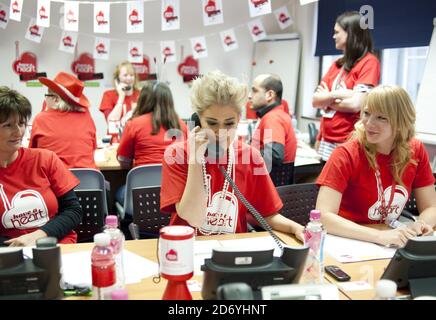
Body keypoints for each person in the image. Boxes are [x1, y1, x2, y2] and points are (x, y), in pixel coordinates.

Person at [160, 70, 304, 240]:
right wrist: (196, 159)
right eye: (212, 123)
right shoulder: (177, 155)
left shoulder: (251, 157)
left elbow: (267, 214)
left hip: (232, 251)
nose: (221, 132)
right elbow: (193, 217)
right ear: (197, 121)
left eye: (229, 123)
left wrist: (296, 228)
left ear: (238, 120)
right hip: (186, 247)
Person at [316, 85, 436, 248]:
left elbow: (431, 206)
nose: (369, 123)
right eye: (366, 113)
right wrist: (379, 236)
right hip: (348, 241)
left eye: (381, 117)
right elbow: (323, 216)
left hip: (390, 240)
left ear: (401, 122)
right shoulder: (346, 154)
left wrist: (420, 224)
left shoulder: (415, 150)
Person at [0, 86, 82, 246]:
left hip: (58, 247)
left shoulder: (45, 159)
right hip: (10, 255)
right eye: (8, 125)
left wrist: (37, 236)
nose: (18, 131)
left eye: (22, 123)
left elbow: (73, 211)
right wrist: (14, 246)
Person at [312, 11, 380, 161]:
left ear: (351, 34)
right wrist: (337, 95)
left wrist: (327, 100)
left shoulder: (369, 62)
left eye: (337, 32)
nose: (333, 36)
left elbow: (356, 104)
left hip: (347, 139)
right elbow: (316, 101)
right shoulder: (337, 64)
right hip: (325, 139)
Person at [29, 72, 98, 169]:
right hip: (89, 181)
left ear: (56, 99)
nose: (45, 99)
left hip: (54, 182)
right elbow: (93, 149)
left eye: (47, 95)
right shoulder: (86, 115)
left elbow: (32, 156)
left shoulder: (41, 119)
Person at [117, 81, 188, 168]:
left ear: (143, 100)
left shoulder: (133, 124)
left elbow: (123, 159)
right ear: (168, 101)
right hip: (174, 180)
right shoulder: (182, 126)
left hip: (143, 180)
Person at [250, 74, 297, 168]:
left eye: (254, 91)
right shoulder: (278, 114)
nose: (249, 96)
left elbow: (274, 156)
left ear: (270, 95)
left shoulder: (273, 118)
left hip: (267, 181)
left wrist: (245, 152)